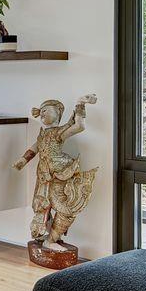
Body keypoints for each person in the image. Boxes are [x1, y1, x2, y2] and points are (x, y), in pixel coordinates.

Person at [14, 94, 98, 250]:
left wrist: (80, 103)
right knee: (40, 206)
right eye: (41, 111)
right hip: (44, 177)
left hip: (59, 174)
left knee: (65, 208)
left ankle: (52, 240)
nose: (42, 113)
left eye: (46, 110)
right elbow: (34, 149)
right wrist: (23, 160)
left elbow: (79, 126)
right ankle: (47, 237)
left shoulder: (59, 132)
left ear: (58, 113)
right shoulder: (43, 134)